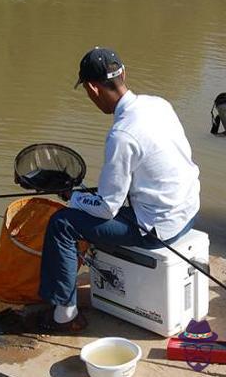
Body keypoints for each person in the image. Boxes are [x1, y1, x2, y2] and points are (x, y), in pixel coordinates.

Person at [37, 47, 200, 332]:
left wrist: (73, 197)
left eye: (88, 92)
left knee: (61, 225)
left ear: (92, 88)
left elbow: (106, 208)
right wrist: (84, 196)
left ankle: (65, 315)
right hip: (188, 211)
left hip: (157, 228)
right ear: (123, 73)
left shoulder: (122, 135)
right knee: (86, 203)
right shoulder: (159, 104)